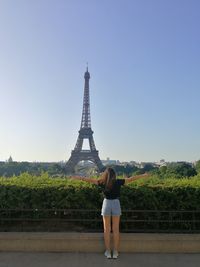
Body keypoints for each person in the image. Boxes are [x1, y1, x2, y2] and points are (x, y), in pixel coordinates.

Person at [70, 167, 150, 259]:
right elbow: (131, 179)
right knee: (116, 230)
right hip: (116, 203)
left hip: (106, 203)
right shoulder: (118, 182)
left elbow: (88, 180)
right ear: (114, 175)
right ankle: (115, 251)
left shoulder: (102, 183)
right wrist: (143, 175)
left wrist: (77, 177)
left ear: (105, 174)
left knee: (106, 230)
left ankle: (108, 251)